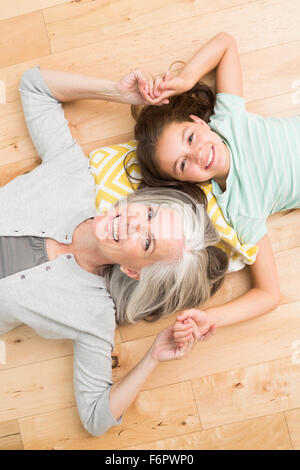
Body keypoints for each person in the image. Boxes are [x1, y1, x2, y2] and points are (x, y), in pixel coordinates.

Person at [0, 65, 228, 436]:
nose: (136, 224)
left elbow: (95, 418)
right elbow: (35, 85)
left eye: (148, 242)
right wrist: (117, 93)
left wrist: (152, 357)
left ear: (135, 271)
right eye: (150, 213)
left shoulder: (92, 316)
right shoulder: (71, 175)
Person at [131, 31, 300, 339]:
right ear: (182, 181)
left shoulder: (229, 119)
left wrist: (185, 80)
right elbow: (268, 293)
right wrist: (209, 318)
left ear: (199, 122)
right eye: (183, 164)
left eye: (190, 138)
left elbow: (226, 44)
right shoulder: (240, 209)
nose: (197, 153)